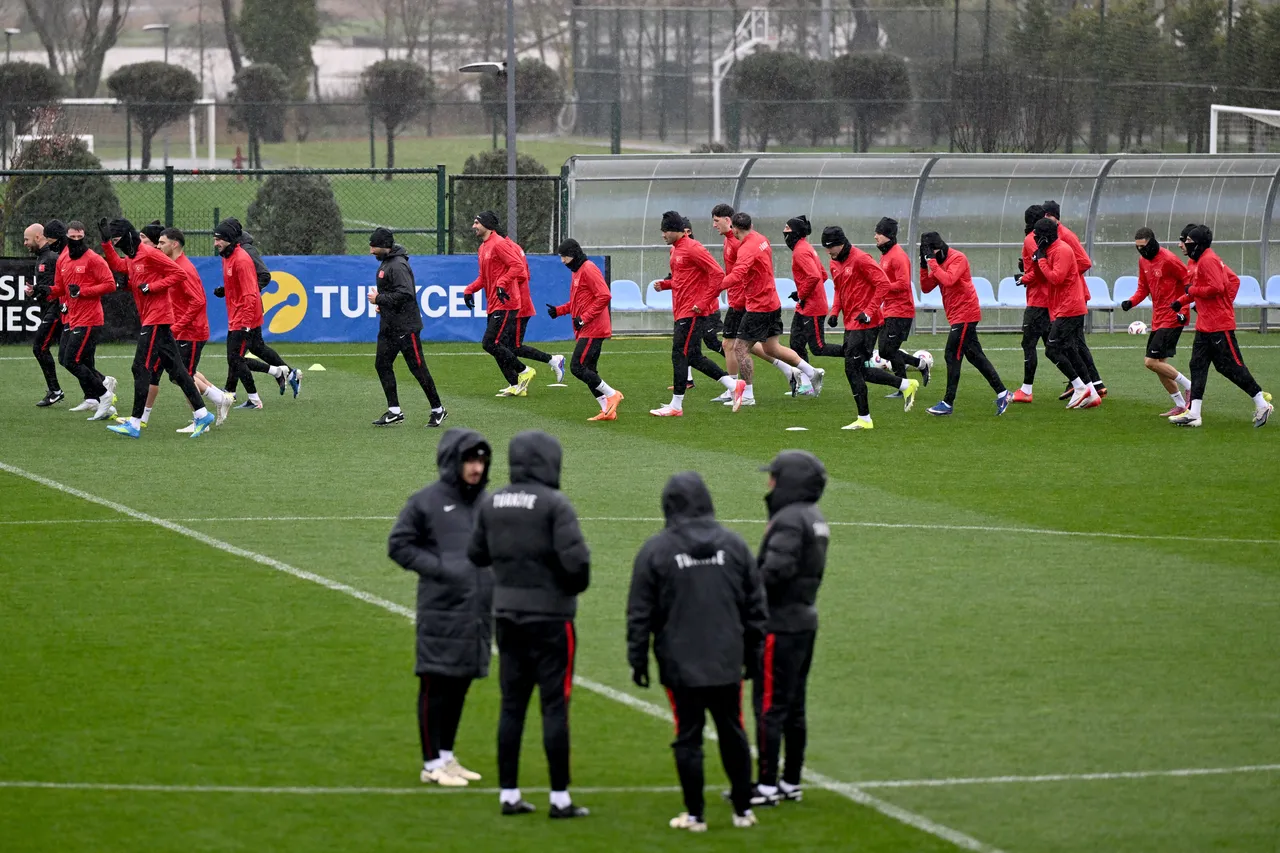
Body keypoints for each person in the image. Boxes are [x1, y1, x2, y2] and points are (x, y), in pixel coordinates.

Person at [626, 470, 766, 832]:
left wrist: (637, 658)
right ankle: (743, 810)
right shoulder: (734, 546)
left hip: (679, 661)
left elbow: (640, 611)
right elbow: (755, 606)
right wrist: (753, 654)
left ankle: (695, 815)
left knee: (688, 735)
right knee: (733, 730)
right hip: (726, 659)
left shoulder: (656, 550)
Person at [467, 431, 591, 819]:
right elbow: (578, 565)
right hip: (552, 617)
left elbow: (476, 554)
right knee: (554, 706)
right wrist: (564, 588)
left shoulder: (493, 501)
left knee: (512, 706)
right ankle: (560, 798)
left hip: (507, 615)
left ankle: (509, 794)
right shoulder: (554, 504)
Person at [388, 429, 495, 787]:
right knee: (436, 683)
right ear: (453, 462)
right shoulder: (426, 502)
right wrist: (442, 569)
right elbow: (399, 545)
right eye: (470, 460)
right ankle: (431, 763)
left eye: (481, 460)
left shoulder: (485, 504)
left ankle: (447, 757)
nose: (476, 468)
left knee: (461, 683)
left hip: (477, 610)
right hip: (441, 609)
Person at [751, 450, 828, 807]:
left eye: (775, 477)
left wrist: (747, 593)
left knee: (769, 706)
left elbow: (776, 570)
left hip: (779, 624)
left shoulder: (790, 519)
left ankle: (766, 785)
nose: (770, 483)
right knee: (794, 706)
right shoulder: (813, 516)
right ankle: (791, 780)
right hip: (803, 620)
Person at [100, 219, 214, 439]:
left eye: (117, 239)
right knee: (178, 370)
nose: (116, 244)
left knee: (139, 367)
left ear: (128, 236)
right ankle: (202, 414)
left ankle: (135, 423)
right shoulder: (133, 257)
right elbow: (118, 266)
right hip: (153, 318)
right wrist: (105, 244)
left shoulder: (150, 254)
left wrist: (151, 287)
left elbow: (178, 274)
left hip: (157, 318)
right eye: (113, 240)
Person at [1169, 226, 1272, 428]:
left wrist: (1216, 304)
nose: (1183, 244)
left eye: (1187, 241)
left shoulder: (1208, 260)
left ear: (1197, 243)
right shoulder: (1198, 260)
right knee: (1197, 365)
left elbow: (1217, 287)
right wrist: (1181, 301)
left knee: (1231, 367)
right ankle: (1194, 414)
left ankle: (1262, 403)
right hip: (1205, 325)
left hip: (1219, 326)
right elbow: (1200, 289)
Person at [720, 212, 822, 412]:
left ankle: (747, 395)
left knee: (740, 348)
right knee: (771, 348)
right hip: (772, 302)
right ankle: (812, 372)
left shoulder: (746, 248)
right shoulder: (761, 239)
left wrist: (715, 287)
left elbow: (738, 274)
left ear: (735, 229)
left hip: (759, 306)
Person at [822, 226, 919, 430]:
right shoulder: (834, 262)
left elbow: (883, 284)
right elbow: (839, 288)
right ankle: (905, 384)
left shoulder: (861, 259)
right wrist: (835, 311)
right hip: (851, 323)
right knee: (860, 371)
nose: (827, 252)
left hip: (867, 323)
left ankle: (864, 419)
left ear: (840, 244)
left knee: (851, 368)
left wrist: (868, 311)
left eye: (830, 247)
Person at [652, 211, 737, 417]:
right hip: (682, 310)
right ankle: (734, 385)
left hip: (692, 312)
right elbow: (682, 279)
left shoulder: (693, 248)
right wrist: (665, 285)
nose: (663, 235)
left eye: (666, 231)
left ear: (678, 231)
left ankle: (676, 405)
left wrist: (703, 302)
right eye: (662, 230)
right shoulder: (675, 250)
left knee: (679, 355)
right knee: (693, 356)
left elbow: (718, 274)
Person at [709, 205, 796, 403]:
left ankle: (736, 388)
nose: (714, 225)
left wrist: (714, 290)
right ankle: (792, 370)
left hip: (744, 301)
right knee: (750, 345)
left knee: (733, 345)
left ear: (729, 221)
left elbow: (740, 274)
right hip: (745, 299)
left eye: (716, 220)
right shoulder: (738, 239)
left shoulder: (740, 242)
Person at [918, 232, 1011, 416]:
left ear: (938, 248)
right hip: (956, 315)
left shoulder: (957, 258)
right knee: (975, 356)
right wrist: (923, 265)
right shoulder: (938, 262)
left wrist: (932, 263)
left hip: (966, 314)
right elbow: (926, 288)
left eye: (930, 251)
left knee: (952, 355)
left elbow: (949, 280)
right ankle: (1003, 393)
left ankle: (948, 402)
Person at [213, 218, 301, 408]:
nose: (215, 243)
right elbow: (239, 283)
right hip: (241, 310)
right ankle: (284, 373)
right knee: (252, 349)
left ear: (230, 236)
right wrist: (228, 291)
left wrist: (249, 295)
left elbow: (262, 277)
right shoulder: (228, 254)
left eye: (219, 238)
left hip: (247, 311)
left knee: (236, 356)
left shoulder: (244, 254)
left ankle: (244, 393)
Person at [365, 227, 448, 428]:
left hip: (405, 327)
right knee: (382, 364)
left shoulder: (398, 265)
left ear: (385, 246)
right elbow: (395, 295)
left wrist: (380, 299)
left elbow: (406, 294)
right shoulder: (388, 261)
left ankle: (438, 409)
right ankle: (394, 411)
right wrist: (383, 305)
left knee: (418, 369)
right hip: (389, 326)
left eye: (374, 247)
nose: (371, 251)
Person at [157, 227, 234, 431]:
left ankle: (202, 419)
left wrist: (178, 326)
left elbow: (198, 301)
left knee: (183, 376)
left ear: (174, 244)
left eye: (162, 242)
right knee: (180, 374)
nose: (158, 246)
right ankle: (219, 398)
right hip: (185, 330)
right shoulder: (174, 265)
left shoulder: (184, 269)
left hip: (192, 332)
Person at [1023, 218, 1101, 410]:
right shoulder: (1050, 250)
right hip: (1063, 307)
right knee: (1070, 349)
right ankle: (1092, 392)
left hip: (1070, 307)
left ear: (1046, 236)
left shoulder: (1062, 250)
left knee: (1052, 349)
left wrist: (1041, 259)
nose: (1035, 239)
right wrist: (1036, 261)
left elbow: (1056, 278)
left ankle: (1079, 387)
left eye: (1038, 236)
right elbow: (1042, 276)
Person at [1119, 228, 1195, 416]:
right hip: (1158, 318)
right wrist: (1131, 302)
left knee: (1150, 362)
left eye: (1143, 247)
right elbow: (1143, 288)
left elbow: (1188, 283)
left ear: (1152, 242)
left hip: (1173, 317)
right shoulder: (1143, 261)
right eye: (1137, 248)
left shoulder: (1169, 259)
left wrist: (1183, 310)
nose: (1141, 251)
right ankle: (1180, 405)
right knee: (1160, 365)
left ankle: (1190, 386)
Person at [547, 238, 623, 420]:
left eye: (564, 257)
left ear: (573, 255)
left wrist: (584, 318)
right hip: (586, 327)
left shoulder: (588, 269)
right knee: (589, 370)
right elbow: (578, 302)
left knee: (577, 367)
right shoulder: (577, 271)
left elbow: (604, 296)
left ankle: (612, 394)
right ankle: (607, 410)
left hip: (594, 327)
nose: (562, 261)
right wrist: (559, 311)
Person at [50, 221, 118, 422]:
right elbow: (59, 288)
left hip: (89, 318)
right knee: (72, 359)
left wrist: (83, 292)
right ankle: (97, 395)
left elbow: (110, 284)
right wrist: (42, 291)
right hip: (73, 317)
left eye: (80, 237)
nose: (76, 240)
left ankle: (104, 394)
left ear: (84, 236)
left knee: (71, 360)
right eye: (72, 237)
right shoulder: (63, 259)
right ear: (66, 237)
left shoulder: (93, 259)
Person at [463, 211, 535, 397]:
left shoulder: (499, 244)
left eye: (476, 223)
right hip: (494, 303)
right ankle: (516, 384)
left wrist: (502, 283)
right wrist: (469, 290)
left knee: (489, 343)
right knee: (497, 345)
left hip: (506, 302)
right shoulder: (483, 248)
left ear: (486, 225)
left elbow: (518, 267)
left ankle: (524, 371)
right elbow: (483, 277)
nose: (473, 226)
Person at [1042, 201, 1106, 400]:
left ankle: (1086, 384)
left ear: (1055, 217)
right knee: (1073, 342)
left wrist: (1067, 274)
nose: (1045, 219)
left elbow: (1085, 262)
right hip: (1066, 296)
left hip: (1073, 296)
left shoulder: (1066, 236)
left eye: (1047, 215)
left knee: (1073, 343)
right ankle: (1091, 384)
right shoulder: (1051, 236)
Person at [784, 215, 842, 395]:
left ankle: (856, 352)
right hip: (805, 306)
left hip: (813, 308)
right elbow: (822, 275)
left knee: (818, 348)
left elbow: (815, 276)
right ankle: (807, 384)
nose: (784, 232)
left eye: (787, 229)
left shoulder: (800, 251)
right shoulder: (805, 247)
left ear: (795, 232)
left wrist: (802, 294)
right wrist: (801, 293)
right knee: (796, 343)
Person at [873, 217, 927, 393]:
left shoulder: (898, 256)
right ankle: (916, 368)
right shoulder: (885, 255)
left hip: (901, 311)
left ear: (888, 235)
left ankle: (905, 382)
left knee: (888, 350)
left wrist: (883, 287)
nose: (875, 236)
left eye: (879, 233)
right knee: (886, 351)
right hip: (889, 309)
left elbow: (903, 284)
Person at [1011, 205, 1051, 403]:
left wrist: (1023, 278)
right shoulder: (1049, 239)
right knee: (1054, 348)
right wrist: (1026, 267)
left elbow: (1040, 269)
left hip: (1038, 300)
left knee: (1029, 344)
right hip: (1050, 299)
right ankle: (1082, 384)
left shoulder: (1030, 239)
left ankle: (1026, 390)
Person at [23, 221, 66, 407]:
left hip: (56, 310)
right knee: (70, 357)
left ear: (38, 237)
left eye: (27, 239)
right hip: (50, 309)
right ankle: (100, 385)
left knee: (40, 348)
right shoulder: (43, 257)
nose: (25, 243)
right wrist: (35, 291)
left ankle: (55, 391)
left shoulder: (51, 258)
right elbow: (48, 287)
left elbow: (58, 287)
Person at [512, 248, 566, 384]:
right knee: (504, 346)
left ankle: (553, 360)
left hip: (518, 306)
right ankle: (515, 382)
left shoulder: (508, 248)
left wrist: (501, 281)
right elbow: (526, 274)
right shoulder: (513, 248)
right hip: (514, 304)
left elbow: (522, 275)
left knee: (512, 347)